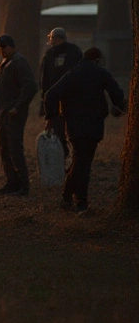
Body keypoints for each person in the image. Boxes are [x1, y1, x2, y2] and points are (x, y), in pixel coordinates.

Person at [44, 48, 126, 213]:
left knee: (79, 162)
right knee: (83, 164)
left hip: (73, 126)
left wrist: (52, 118)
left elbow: (50, 95)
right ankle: (80, 202)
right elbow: (116, 93)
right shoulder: (101, 73)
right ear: (96, 59)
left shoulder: (72, 74)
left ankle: (67, 198)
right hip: (94, 125)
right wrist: (120, 107)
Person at [0, 34, 37, 196]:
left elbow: (30, 86)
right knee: (5, 149)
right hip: (3, 114)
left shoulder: (19, 62)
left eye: (4, 46)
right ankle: (11, 183)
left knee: (15, 148)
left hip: (14, 114)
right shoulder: (4, 64)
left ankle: (24, 186)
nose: (1, 49)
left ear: (12, 46)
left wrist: (17, 107)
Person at [38, 27, 83, 158]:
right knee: (59, 128)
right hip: (61, 98)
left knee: (66, 128)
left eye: (51, 37)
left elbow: (45, 80)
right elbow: (44, 78)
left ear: (58, 38)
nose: (50, 40)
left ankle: (69, 154)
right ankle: (64, 153)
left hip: (66, 98)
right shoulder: (51, 54)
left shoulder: (72, 52)